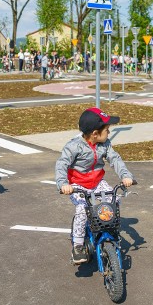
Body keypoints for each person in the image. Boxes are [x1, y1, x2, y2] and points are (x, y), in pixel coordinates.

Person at [55, 108, 133, 264]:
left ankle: (109, 228)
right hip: (78, 185)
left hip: (97, 182)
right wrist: (63, 184)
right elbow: (61, 164)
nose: (109, 133)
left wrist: (125, 176)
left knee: (114, 199)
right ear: (95, 134)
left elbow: (115, 159)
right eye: (107, 130)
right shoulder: (74, 146)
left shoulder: (105, 144)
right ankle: (77, 246)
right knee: (82, 210)